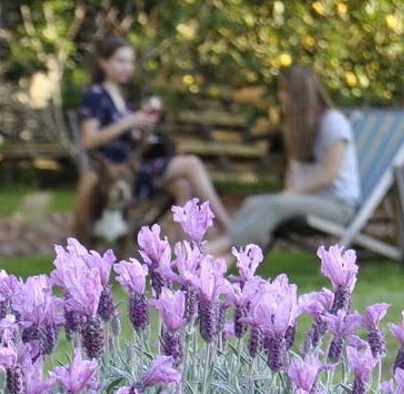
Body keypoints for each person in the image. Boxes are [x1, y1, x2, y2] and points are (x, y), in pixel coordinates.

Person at [73, 36, 233, 241]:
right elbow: (89, 140)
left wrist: (143, 127)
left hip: (134, 170)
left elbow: (130, 138)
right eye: (120, 61)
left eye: (130, 62)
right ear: (103, 63)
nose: (127, 67)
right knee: (191, 164)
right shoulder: (96, 95)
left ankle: (186, 255)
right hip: (115, 175)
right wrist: (129, 122)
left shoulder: (122, 98)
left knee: (182, 186)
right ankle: (229, 228)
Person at [205, 64, 360, 259]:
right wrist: (288, 193)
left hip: (338, 205)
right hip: (307, 200)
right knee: (254, 202)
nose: (281, 97)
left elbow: (329, 175)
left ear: (300, 94)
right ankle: (221, 265)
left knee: (272, 205)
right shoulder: (297, 127)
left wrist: (289, 194)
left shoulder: (333, 122)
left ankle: (212, 250)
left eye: (285, 91)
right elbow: (293, 171)